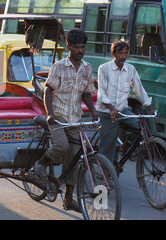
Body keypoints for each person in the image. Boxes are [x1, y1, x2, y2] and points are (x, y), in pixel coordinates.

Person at [33, 28, 98, 212]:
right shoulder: (59, 66)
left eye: (82, 47)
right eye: (76, 47)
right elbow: (48, 91)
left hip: (75, 118)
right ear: (68, 46)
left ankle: (69, 199)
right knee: (63, 146)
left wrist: (93, 111)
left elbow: (86, 93)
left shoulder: (87, 68)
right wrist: (50, 113)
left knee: (74, 158)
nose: (80, 50)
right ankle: (41, 163)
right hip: (59, 116)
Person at [96, 40, 154, 164]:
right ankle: (105, 172)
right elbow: (102, 92)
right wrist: (111, 109)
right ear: (113, 54)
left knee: (141, 126)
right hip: (106, 111)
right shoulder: (104, 68)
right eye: (120, 53)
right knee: (108, 145)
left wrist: (149, 107)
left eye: (125, 53)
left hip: (123, 109)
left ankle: (125, 145)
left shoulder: (130, 69)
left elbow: (138, 88)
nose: (123, 56)